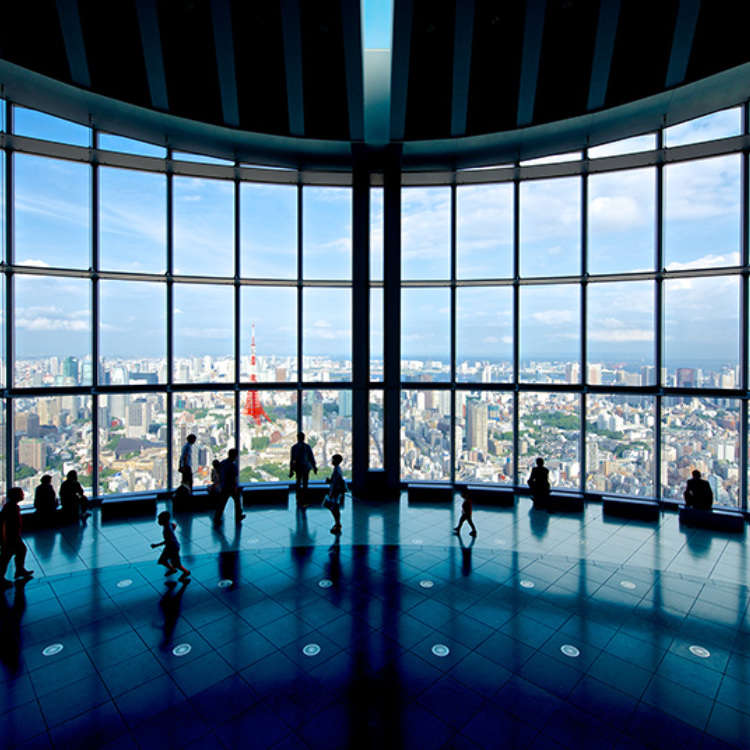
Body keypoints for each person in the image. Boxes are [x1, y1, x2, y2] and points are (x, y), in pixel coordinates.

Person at [0, 488, 33, 589]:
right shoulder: (11, 508)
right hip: (11, 537)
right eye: (21, 494)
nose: (23, 495)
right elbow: (3, 524)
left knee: (20, 551)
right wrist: (4, 538)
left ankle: (19, 570)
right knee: (6, 557)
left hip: (13, 536)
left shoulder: (11, 506)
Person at [151, 511, 190, 581]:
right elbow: (174, 525)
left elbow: (167, 541)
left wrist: (156, 545)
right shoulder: (169, 524)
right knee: (163, 560)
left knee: (175, 564)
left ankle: (186, 572)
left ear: (164, 520)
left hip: (172, 548)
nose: (158, 521)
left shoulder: (167, 530)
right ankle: (173, 569)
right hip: (171, 547)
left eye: (160, 520)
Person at [213, 449, 245, 526]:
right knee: (237, 501)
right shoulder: (233, 466)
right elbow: (234, 478)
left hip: (224, 486)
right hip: (231, 487)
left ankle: (216, 518)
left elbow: (218, 472)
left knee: (222, 503)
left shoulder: (223, 463)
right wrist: (235, 487)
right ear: (235, 456)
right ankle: (238, 516)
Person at [289, 432, 317, 506]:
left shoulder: (294, 447)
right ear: (304, 438)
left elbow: (292, 460)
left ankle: (298, 499)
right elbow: (311, 458)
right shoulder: (307, 447)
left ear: (297, 438)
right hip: (306, 467)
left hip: (298, 467)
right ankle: (304, 499)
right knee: (305, 484)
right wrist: (314, 467)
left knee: (298, 483)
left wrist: (291, 470)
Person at [324, 454, 347, 535]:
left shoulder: (336, 470)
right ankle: (337, 524)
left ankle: (337, 524)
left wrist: (332, 491)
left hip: (334, 492)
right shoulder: (338, 470)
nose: (332, 461)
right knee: (334, 508)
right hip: (335, 492)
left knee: (334, 508)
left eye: (333, 460)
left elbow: (336, 482)